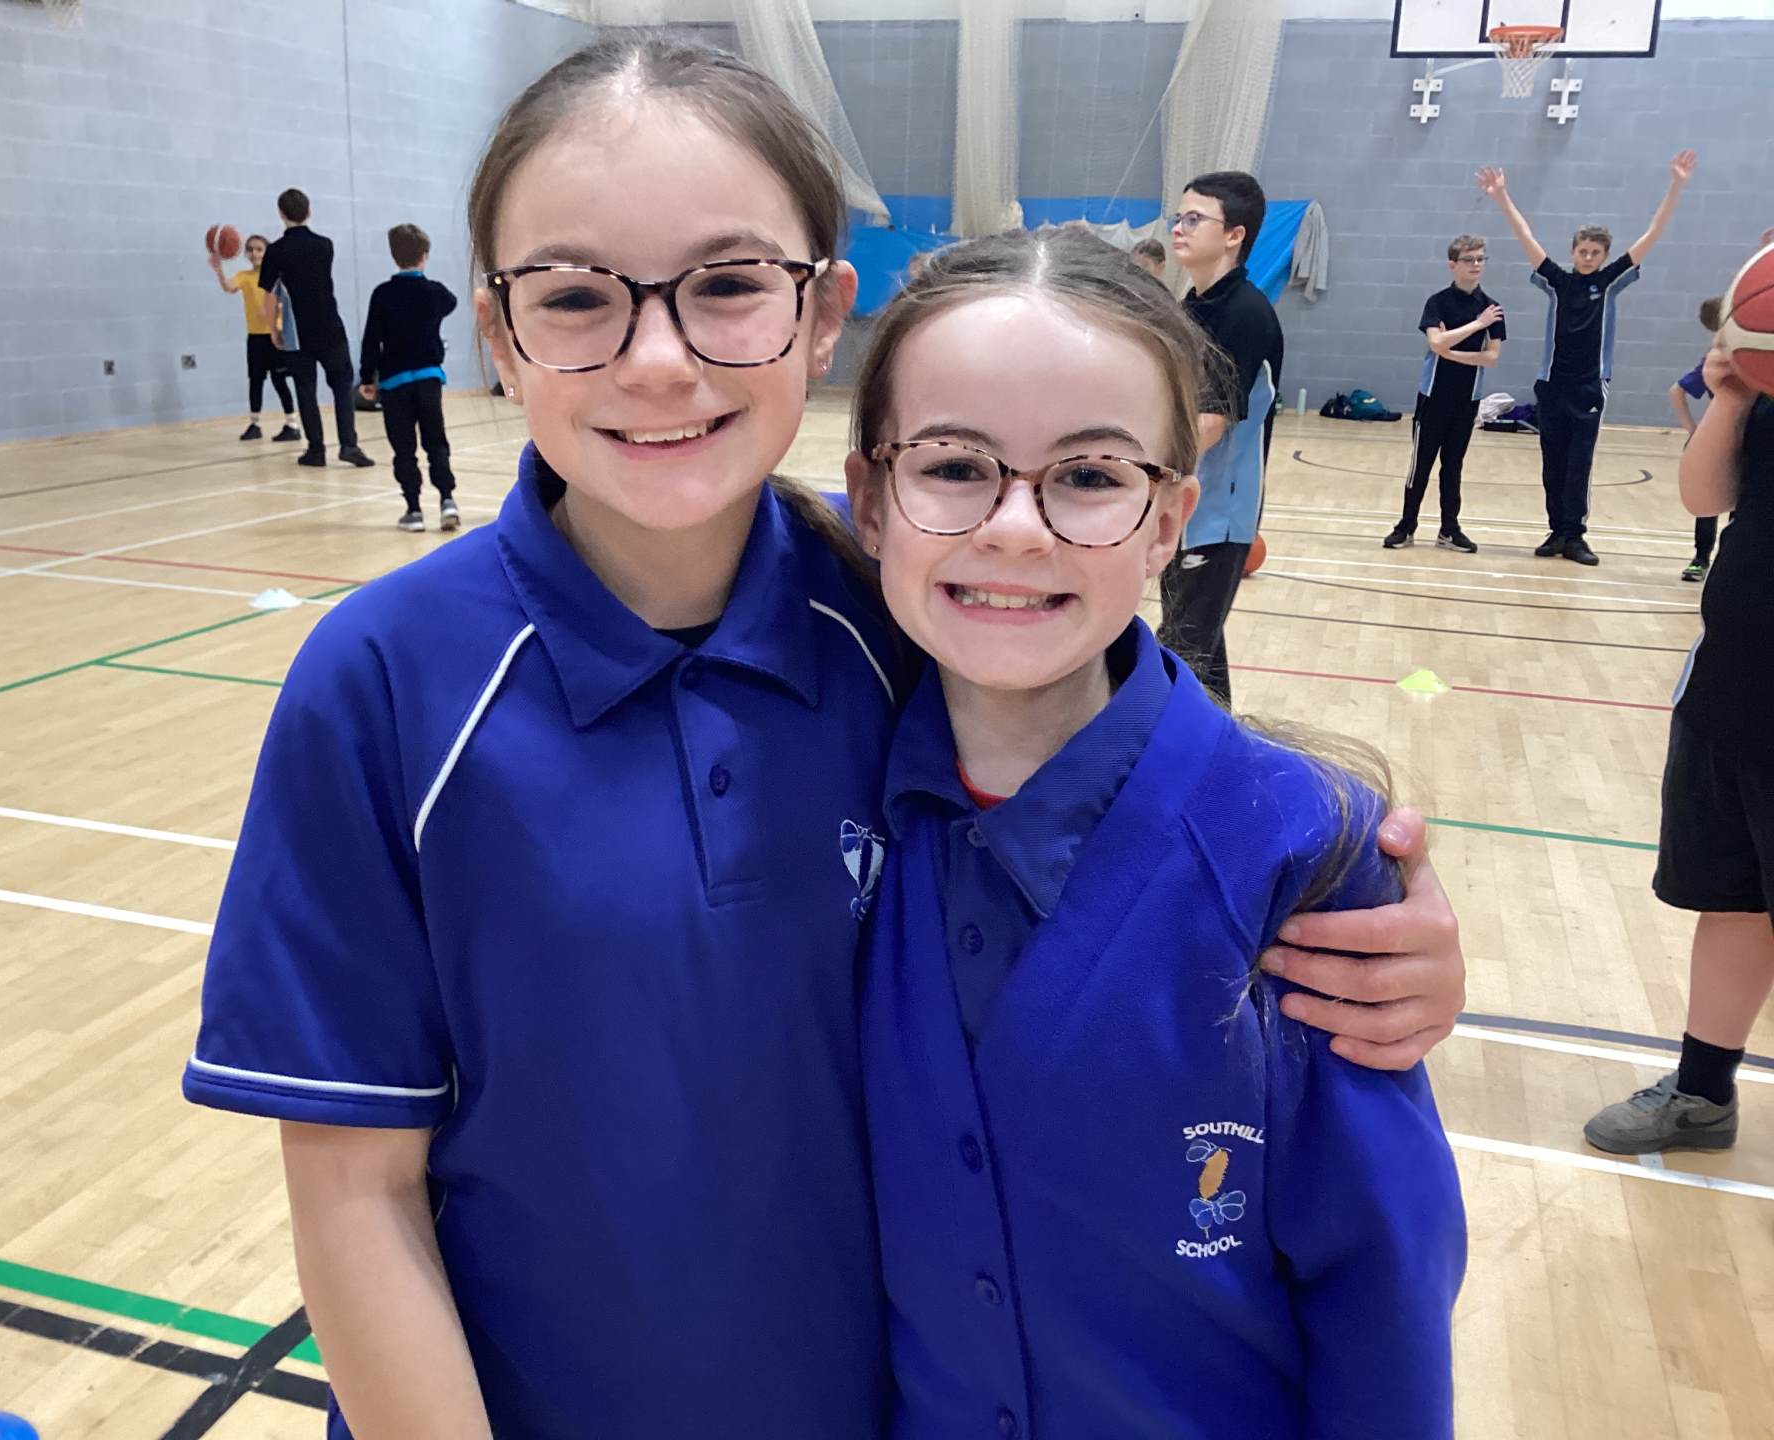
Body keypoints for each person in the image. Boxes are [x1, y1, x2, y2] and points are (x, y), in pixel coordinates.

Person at [182, 35, 1468, 1440]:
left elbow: (1131, 780)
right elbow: (355, 1194)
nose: (658, 361)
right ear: (498, 332)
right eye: (576, 297)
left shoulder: (899, 616)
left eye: (729, 284)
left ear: (821, 313)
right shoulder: (383, 684)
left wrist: (1358, 905)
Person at [847, 222, 1465, 1440]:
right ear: (869, 500)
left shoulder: (1304, 858)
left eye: (1089, 477)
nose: (1016, 528)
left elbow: (1382, 1298)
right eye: (956, 465)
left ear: (1170, 518)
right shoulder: (824, 786)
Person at [1585, 340, 1773, 1156]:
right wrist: (1731, 397)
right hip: (1733, 683)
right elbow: (1703, 495)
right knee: (1733, 897)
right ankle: (1702, 1094)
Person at [1479, 151, 1697, 565]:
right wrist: (1501, 196)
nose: (1588, 257)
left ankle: (1576, 536)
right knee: (1553, 464)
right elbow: (1526, 238)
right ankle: (1557, 532)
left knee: (1580, 463)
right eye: (1583, 250)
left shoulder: (1610, 282)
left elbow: (1652, 234)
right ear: (1573, 251)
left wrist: (1676, 185)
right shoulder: (1558, 282)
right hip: (1552, 384)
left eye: (1596, 252)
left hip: (1589, 386)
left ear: (1604, 255)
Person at [1159, 170, 1282, 706]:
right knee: (1199, 655)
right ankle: (1221, 741)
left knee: (1178, 651)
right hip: (1184, 503)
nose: (1178, 229)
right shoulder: (1191, 307)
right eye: (1178, 218)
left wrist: (1142, 470)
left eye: (1194, 219)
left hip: (1219, 513)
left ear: (1234, 235)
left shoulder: (1246, 314)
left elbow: (1211, 423)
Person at [1384, 235, 1504, 553]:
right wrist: (1476, 325)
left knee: (1453, 467)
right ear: (1453, 264)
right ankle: (1406, 526)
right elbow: (1436, 342)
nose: (1476, 264)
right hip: (1433, 397)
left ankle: (1449, 530)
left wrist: (1454, 353)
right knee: (1421, 465)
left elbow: (1492, 357)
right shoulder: (1437, 303)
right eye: (1469, 259)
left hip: (1467, 400)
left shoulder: (1492, 308)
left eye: (1480, 259)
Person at [258, 187, 374, 469]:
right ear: (309, 211)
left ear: (281, 213)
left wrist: (273, 329)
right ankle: (349, 445)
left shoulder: (275, 251)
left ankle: (316, 450)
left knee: (305, 390)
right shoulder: (325, 245)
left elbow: (270, 296)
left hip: (298, 333)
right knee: (342, 387)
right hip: (331, 327)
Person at [359, 223, 461, 534]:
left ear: (393, 255)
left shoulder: (382, 294)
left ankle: (414, 510)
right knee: (436, 442)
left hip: (395, 382)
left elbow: (371, 339)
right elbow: (452, 302)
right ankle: (447, 500)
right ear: (425, 255)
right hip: (429, 378)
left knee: (404, 448)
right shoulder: (435, 292)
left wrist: (367, 377)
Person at [208, 234, 299, 443]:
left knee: (279, 380)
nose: (254, 253)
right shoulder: (244, 276)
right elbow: (229, 287)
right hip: (255, 338)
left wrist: (279, 322)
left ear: (267, 252)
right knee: (255, 380)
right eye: (250, 249)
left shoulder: (277, 277)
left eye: (259, 249)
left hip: (275, 336)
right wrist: (219, 270)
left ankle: (292, 424)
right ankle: (255, 424)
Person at [1669, 296, 1725, 581]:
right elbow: (1677, 390)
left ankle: (1707, 560)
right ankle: (1704, 558)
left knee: (1721, 500)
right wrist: (1693, 431)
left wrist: (1693, 429)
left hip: (1739, 434)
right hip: (1724, 434)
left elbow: (1676, 391)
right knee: (1714, 499)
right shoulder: (1719, 359)